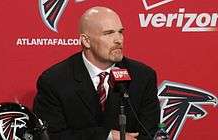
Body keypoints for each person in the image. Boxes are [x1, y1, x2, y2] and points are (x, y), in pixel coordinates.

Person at [33, 6, 160, 140]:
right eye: (109, 33)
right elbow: (52, 136)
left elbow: (149, 132)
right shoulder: (55, 81)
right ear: (86, 41)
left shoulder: (143, 76)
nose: (118, 40)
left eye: (120, 32)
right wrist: (107, 136)